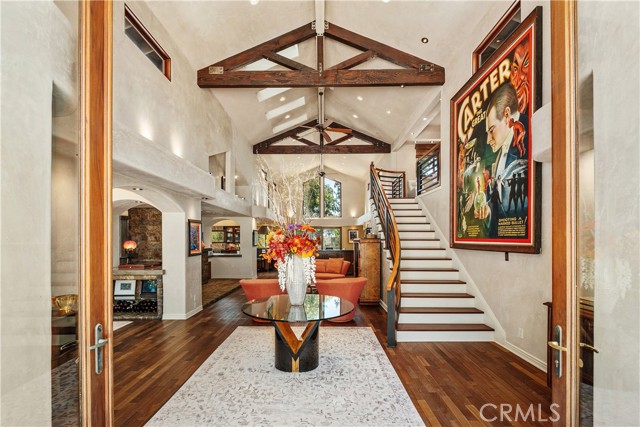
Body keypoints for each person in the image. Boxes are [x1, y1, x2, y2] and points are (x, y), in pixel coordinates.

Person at [484, 83, 528, 183]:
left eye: (491, 130)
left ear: (507, 114)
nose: (488, 140)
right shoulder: (503, 146)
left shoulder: (527, 134)